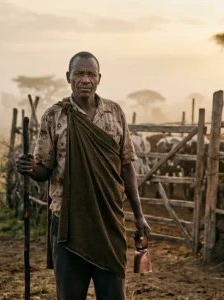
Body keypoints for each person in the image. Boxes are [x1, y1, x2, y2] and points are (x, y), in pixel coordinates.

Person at [16, 51, 150, 300]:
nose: (85, 79)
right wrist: (29, 168)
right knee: (70, 295)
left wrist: (139, 216)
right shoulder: (54, 116)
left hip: (108, 220)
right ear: (68, 77)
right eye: (79, 73)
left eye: (91, 74)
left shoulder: (114, 113)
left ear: (99, 78)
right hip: (67, 221)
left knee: (113, 295)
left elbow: (127, 166)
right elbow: (44, 170)